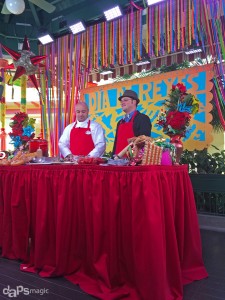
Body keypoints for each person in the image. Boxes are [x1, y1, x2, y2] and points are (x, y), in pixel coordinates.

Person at [112, 90, 152, 158]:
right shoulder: (120, 122)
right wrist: (113, 158)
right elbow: (116, 143)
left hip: (134, 162)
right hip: (118, 162)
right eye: (121, 101)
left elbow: (144, 141)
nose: (122, 102)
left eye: (125, 100)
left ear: (134, 102)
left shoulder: (142, 119)